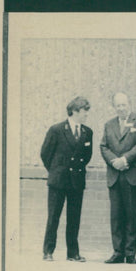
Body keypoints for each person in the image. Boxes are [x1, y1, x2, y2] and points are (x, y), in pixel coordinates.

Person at [40, 96, 93, 262]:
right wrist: (56, 170)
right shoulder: (56, 129)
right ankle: (48, 251)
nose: (86, 115)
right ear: (75, 111)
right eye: (84, 112)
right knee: (53, 217)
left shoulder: (87, 132)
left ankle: (73, 253)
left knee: (74, 217)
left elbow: (87, 156)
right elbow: (45, 154)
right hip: (58, 181)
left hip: (77, 181)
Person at [99, 92, 136, 264]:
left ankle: (130, 253)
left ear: (129, 104)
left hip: (131, 174)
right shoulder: (109, 124)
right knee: (116, 215)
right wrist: (114, 162)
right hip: (115, 174)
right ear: (114, 107)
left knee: (131, 214)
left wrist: (124, 159)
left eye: (124, 105)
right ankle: (117, 252)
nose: (121, 108)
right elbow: (103, 146)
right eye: (118, 105)